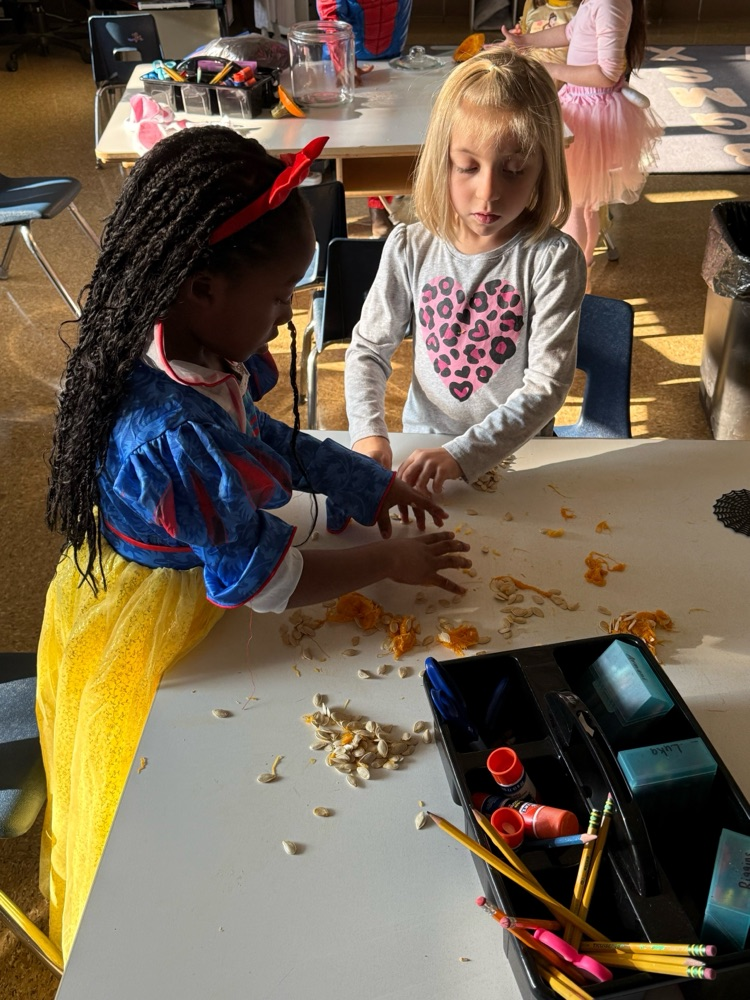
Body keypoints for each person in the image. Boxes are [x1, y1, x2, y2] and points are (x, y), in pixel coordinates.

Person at [38, 126, 472, 960]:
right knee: (154, 811)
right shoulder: (166, 430)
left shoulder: (194, 347)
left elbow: (273, 444)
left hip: (184, 579)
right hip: (153, 621)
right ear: (203, 289)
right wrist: (386, 562)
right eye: (279, 301)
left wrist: (370, 487)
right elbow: (261, 581)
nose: (286, 319)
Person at [344, 46, 586, 495]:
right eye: (467, 167)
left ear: (542, 171)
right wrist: (367, 432)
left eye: (514, 170)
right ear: (443, 160)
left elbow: (546, 387)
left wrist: (464, 455)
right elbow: (368, 350)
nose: (487, 193)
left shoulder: (553, 259)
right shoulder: (408, 246)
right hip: (423, 445)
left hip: (523, 454)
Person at [502, 0, 662, 278]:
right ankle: (583, 263)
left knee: (571, 203)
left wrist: (550, 70)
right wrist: (524, 41)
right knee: (585, 203)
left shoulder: (609, 5)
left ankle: (570, 273)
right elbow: (570, 31)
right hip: (580, 102)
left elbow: (606, 73)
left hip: (590, 111)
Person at [316, 0, 414, 237]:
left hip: (390, 55)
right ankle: (329, 219)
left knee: (387, 138)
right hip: (346, 61)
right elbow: (331, 20)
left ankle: (378, 210)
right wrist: (343, 63)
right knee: (345, 140)